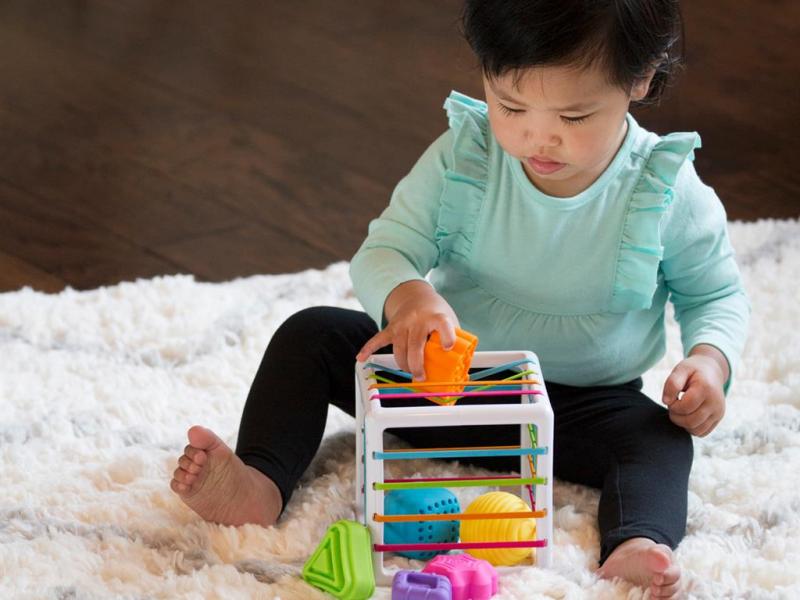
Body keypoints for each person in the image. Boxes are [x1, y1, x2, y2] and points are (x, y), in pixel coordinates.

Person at [169, 1, 749, 598]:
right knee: (311, 334)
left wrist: (710, 360)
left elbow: (717, 293)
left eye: (574, 117)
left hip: (580, 412)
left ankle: (633, 541)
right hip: (442, 386)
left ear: (640, 79)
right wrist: (410, 297)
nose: (536, 137)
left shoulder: (665, 187)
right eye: (511, 106)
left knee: (659, 438)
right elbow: (385, 249)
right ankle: (260, 481)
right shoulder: (465, 158)